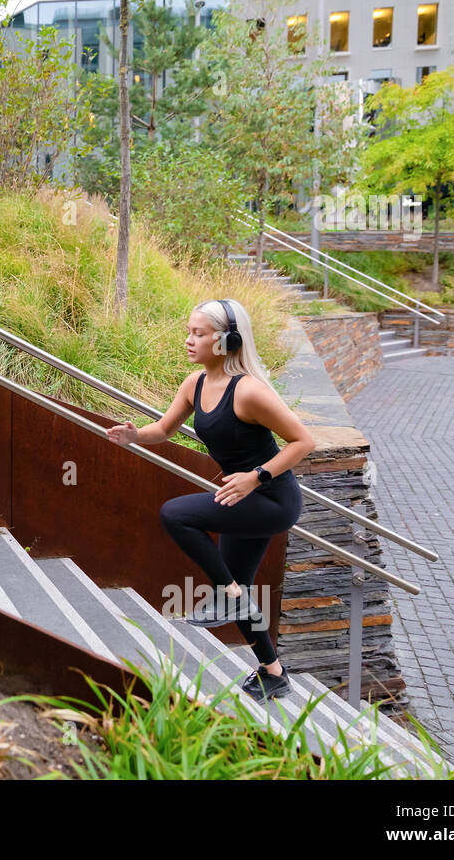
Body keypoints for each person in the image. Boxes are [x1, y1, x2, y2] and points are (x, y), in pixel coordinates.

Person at [105, 298, 314, 703]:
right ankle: (274, 672)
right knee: (237, 583)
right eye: (189, 331)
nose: (189, 340)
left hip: (271, 499)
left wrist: (256, 477)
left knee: (176, 515)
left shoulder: (249, 391)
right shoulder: (195, 383)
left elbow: (303, 441)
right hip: (240, 500)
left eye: (198, 334)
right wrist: (134, 436)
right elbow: (164, 430)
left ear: (228, 340)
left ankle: (230, 596)